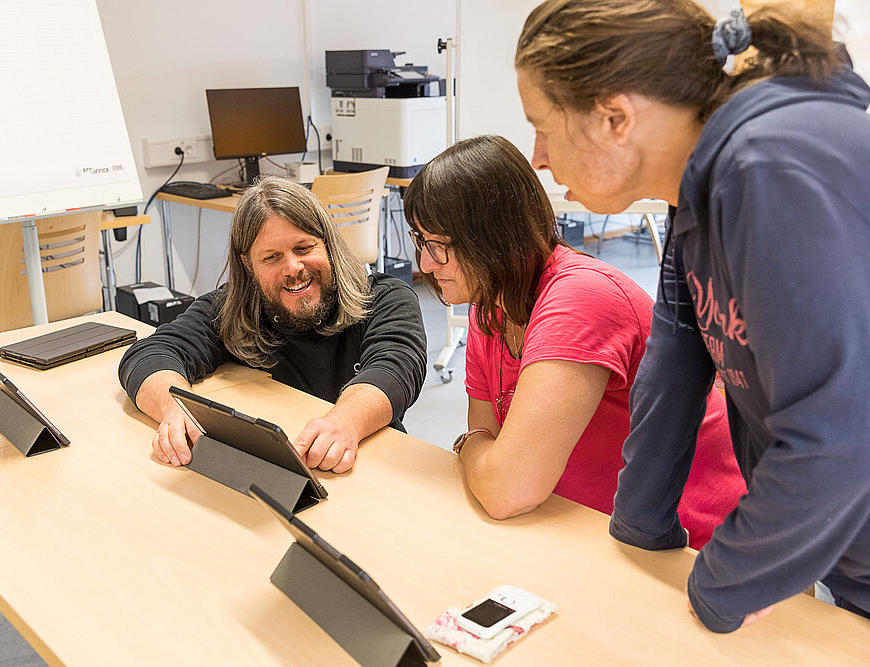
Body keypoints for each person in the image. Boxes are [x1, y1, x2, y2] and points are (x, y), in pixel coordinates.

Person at [515, 0, 870, 631]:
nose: (537, 156)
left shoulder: (767, 171)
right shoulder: (699, 184)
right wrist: (638, 530)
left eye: (543, 127)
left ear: (615, 117)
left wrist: (720, 588)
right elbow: (677, 357)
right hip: (841, 543)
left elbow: (840, 432)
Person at [404, 134, 744, 550]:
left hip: (694, 546)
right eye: (420, 241)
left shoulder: (580, 298)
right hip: (584, 526)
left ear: (495, 237)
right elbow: (489, 443)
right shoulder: (489, 310)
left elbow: (506, 486)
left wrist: (472, 446)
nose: (425, 264)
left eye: (439, 245)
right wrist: (484, 449)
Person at [119, 176, 427, 474]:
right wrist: (175, 408)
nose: (292, 268)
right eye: (271, 257)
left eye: (304, 248)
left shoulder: (385, 298)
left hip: (372, 468)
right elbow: (150, 355)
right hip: (274, 472)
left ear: (327, 244)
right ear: (248, 264)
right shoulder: (232, 309)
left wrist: (346, 420)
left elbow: (396, 369)